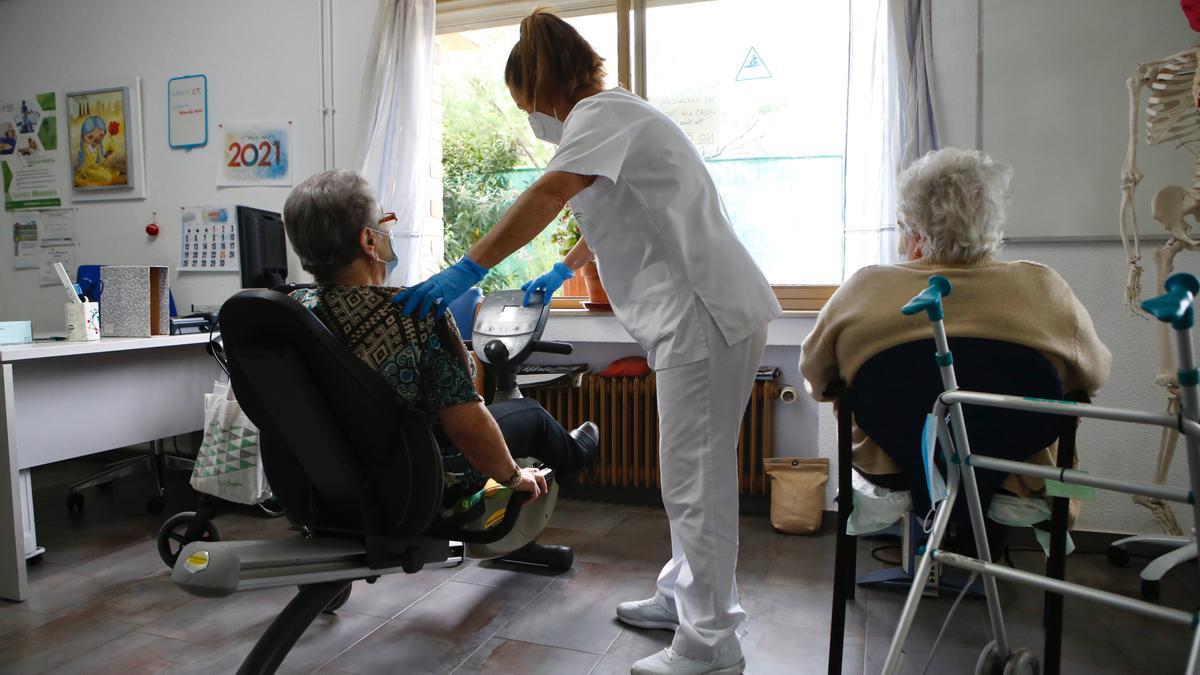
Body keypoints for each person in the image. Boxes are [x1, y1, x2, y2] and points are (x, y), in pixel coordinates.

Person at [395, 10, 780, 675]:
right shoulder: (617, 118)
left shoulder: (598, 117)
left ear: (545, 88)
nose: (531, 123)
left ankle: (711, 641)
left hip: (703, 312)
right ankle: (680, 597)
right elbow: (614, 207)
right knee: (691, 473)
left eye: (526, 107)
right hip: (707, 312)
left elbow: (553, 191)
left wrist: (470, 265)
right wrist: (563, 269)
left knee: (696, 480)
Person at [801, 147, 1112, 516]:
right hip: (1017, 473)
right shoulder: (1045, 288)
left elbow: (816, 380)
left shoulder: (863, 289)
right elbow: (1093, 378)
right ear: (993, 222)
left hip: (893, 469)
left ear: (913, 228)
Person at [281, 168, 599, 510]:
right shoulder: (415, 313)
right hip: (416, 476)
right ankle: (576, 457)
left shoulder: (290, 310)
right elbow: (467, 427)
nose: (390, 230)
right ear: (368, 242)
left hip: (320, 474)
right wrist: (514, 477)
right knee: (531, 414)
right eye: (384, 222)